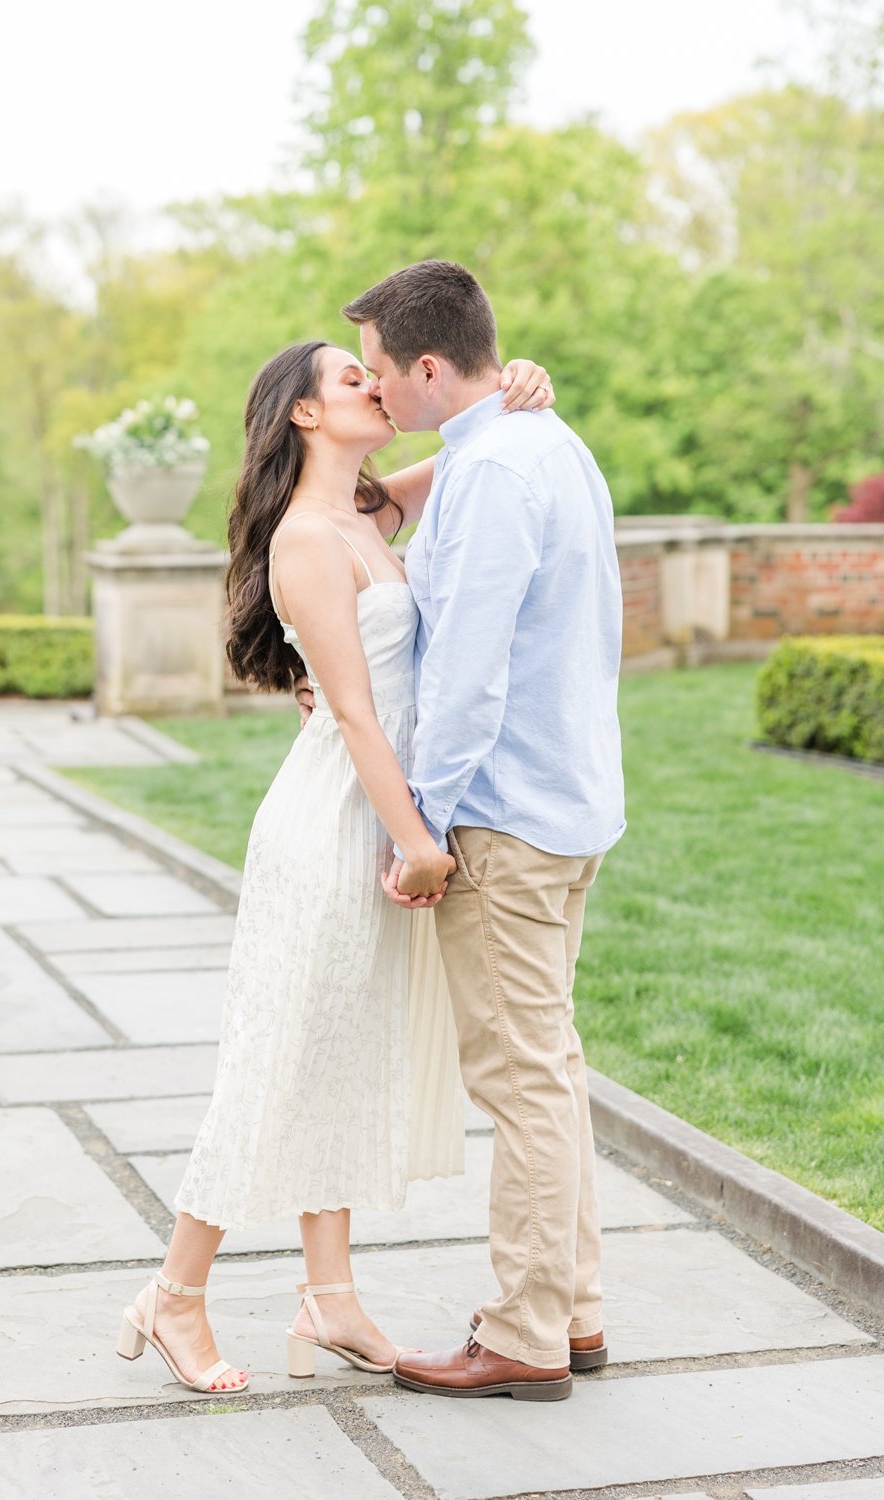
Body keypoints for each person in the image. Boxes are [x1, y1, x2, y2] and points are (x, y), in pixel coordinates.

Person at [114, 339, 553, 1395]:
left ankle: (331, 1296)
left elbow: (465, 455)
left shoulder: (364, 510)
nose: (377, 384)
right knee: (278, 1056)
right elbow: (352, 710)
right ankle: (173, 1296)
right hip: (331, 827)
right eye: (353, 378)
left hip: (374, 810)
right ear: (305, 415)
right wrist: (415, 839)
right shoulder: (309, 538)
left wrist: (517, 385)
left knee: (343, 1053)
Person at [337, 259, 626, 1402]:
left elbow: (466, 679)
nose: (368, 385)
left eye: (374, 369)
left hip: (505, 819)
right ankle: (575, 1312)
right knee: (548, 1069)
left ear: (423, 365)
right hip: (568, 805)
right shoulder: (525, 444)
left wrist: (424, 826)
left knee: (521, 1083)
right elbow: (390, 500)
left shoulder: (498, 469)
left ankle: (521, 1335)